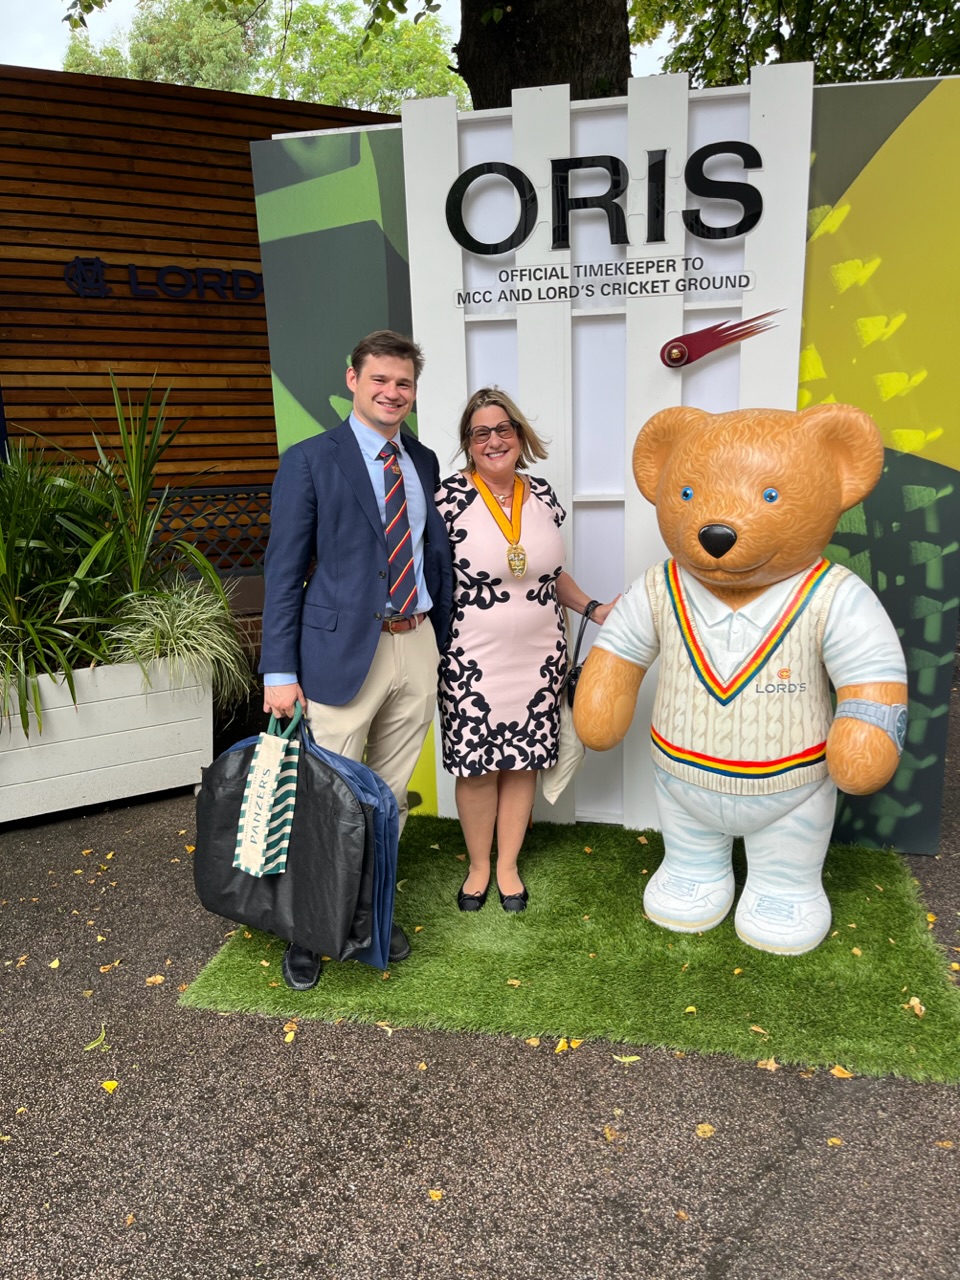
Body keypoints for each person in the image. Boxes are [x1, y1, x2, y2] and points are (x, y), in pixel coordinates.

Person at [259, 330, 453, 989]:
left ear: (414, 392)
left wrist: (444, 641)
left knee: (387, 801)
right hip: (339, 654)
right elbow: (283, 573)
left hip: (415, 643)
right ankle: (309, 929)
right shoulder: (310, 460)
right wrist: (278, 673)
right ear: (352, 379)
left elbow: (429, 556)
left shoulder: (422, 461)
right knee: (326, 800)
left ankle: (368, 914)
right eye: (380, 381)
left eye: (403, 384)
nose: (392, 393)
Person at [435, 387, 617, 914]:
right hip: (471, 658)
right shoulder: (447, 500)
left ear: (519, 434)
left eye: (503, 429)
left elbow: (550, 576)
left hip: (541, 655)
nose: (494, 441)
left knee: (521, 762)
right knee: (476, 767)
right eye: (481, 433)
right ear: (469, 445)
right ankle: (478, 867)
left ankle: (508, 865)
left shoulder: (543, 496)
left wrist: (592, 607)